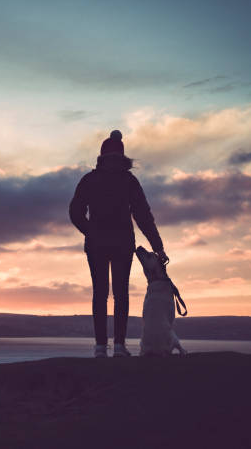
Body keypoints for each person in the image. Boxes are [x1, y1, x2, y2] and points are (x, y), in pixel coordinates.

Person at [69, 130, 168, 358]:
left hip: (97, 245)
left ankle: (100, 348)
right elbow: (143, 216)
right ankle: (120, 346)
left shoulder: (90, 180)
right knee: (121, 294)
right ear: (122, 156)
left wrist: (90, 231)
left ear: (101, 156)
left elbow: (75, 212)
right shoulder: (129, 181)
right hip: (123, 243)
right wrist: (158, 246)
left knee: (100, 293)